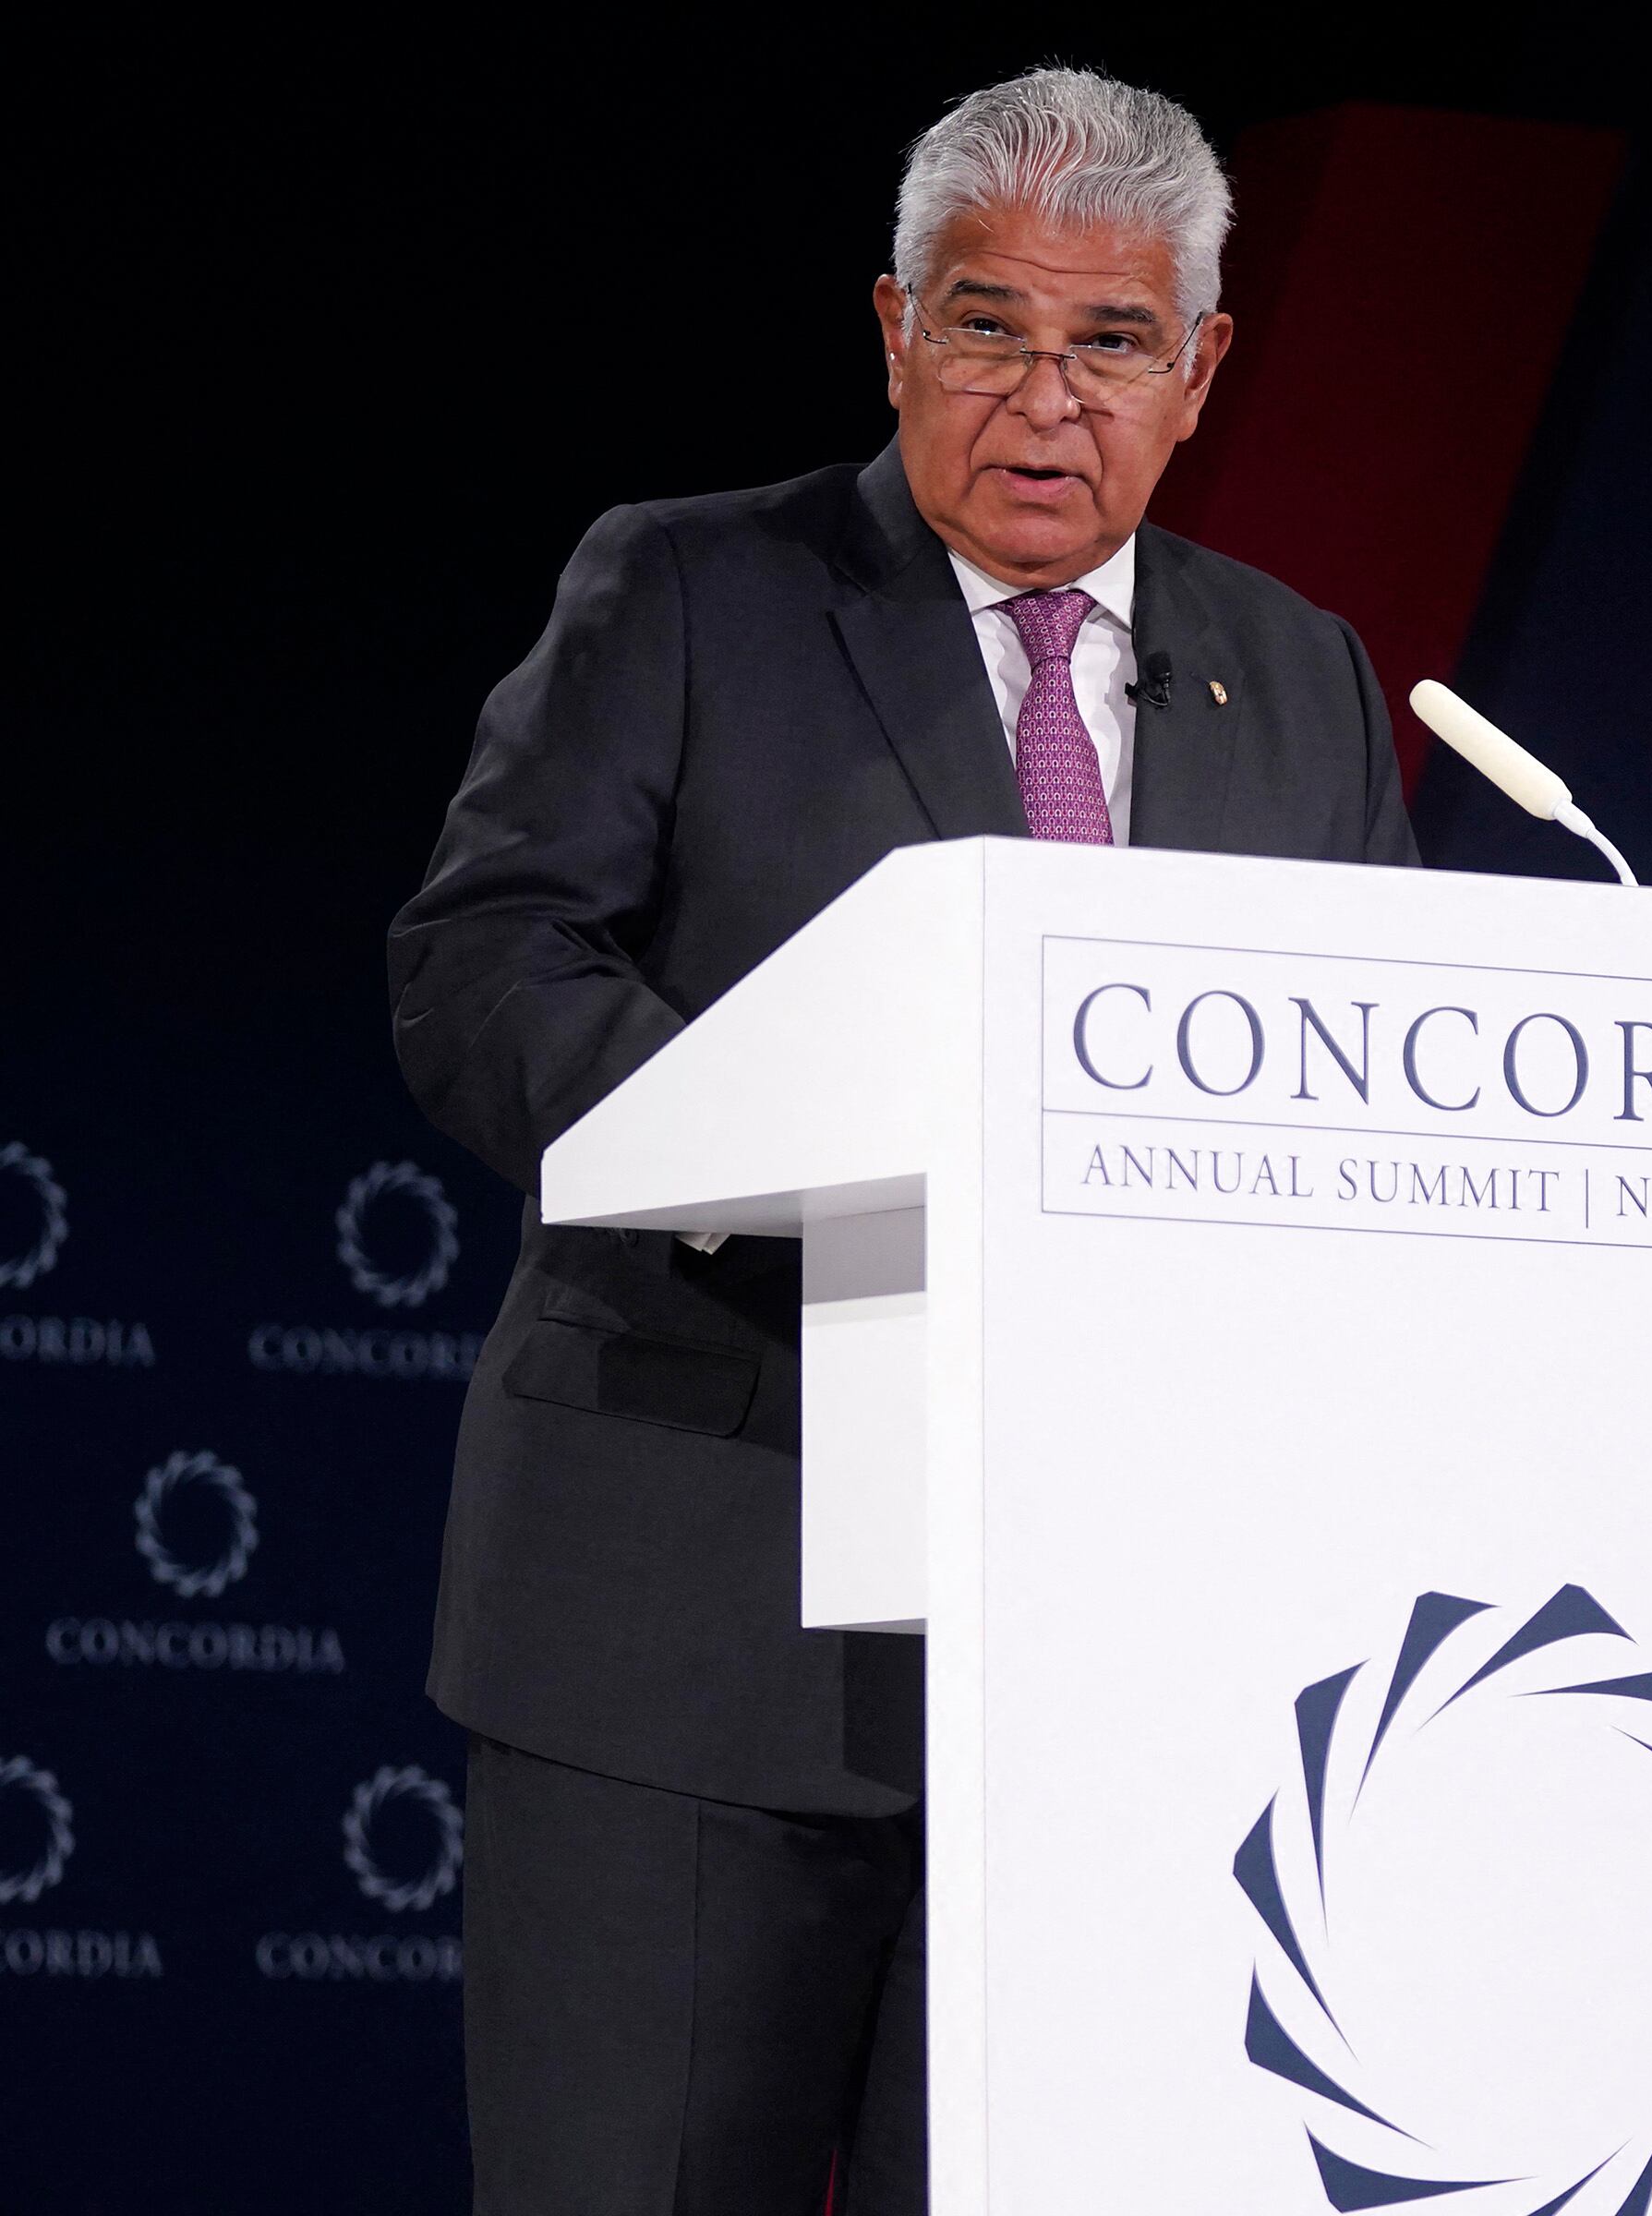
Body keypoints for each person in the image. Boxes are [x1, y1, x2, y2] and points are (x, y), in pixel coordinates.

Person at [388, 66, 1416, 2213]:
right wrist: (801, 1168)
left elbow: (1373, 1089)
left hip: (1117, 1674)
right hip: (694, 1631)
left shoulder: (1301, 675)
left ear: (1203, 367)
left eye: (1112, 340)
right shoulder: (694, 591)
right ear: (893, 329)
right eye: (987, 326)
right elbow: (487, 964)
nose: (1046, 400)